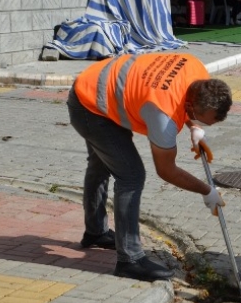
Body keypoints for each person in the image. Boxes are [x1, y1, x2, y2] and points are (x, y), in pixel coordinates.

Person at [68, 53, 232, 282]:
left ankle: (95, 232)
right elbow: (166, 170)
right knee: (131, 175)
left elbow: (180, 93)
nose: (205, 125)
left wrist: (193, 126)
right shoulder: (162, 113)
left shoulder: (195, 68)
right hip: (89, 105)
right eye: (203, 120)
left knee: (102, 164)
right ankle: (130, 260)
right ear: (190, 105)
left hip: (98, 85)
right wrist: (207, 191)